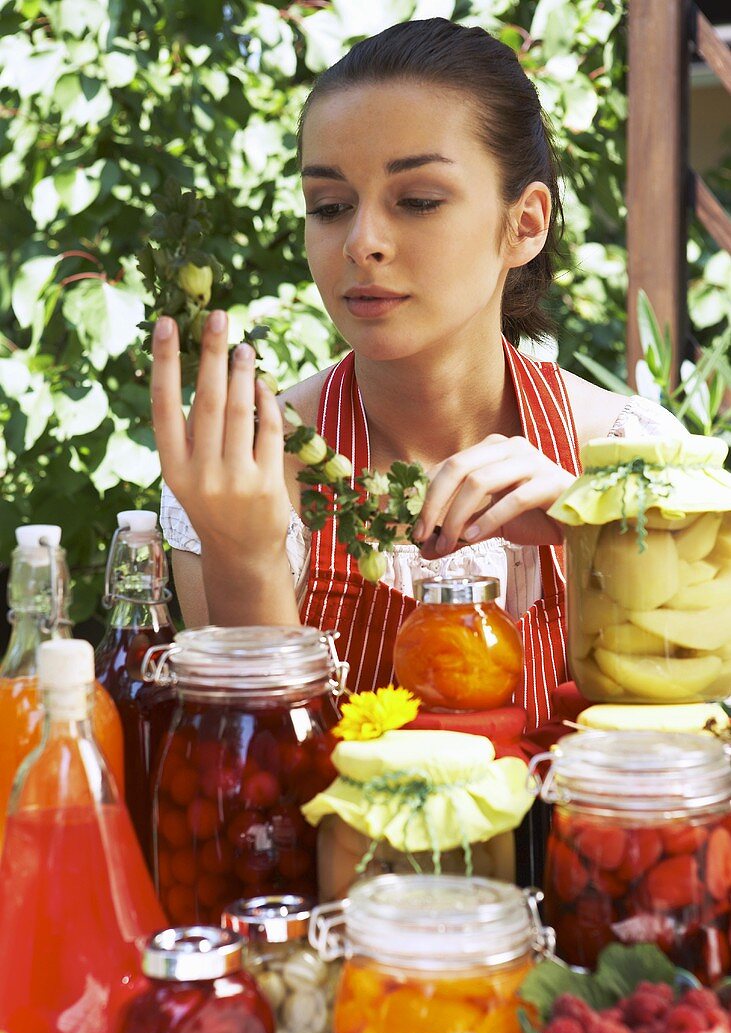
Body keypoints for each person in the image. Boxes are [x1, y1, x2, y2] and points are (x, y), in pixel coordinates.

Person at [154, 17, 685, 733]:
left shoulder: (628, 454)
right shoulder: (246, 475)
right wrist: (244, 560)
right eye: (329, 207)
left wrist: (596, 534)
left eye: (418, 201)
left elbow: (677, 759)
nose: (362, 243)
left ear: (523, 224)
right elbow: (256, 794)